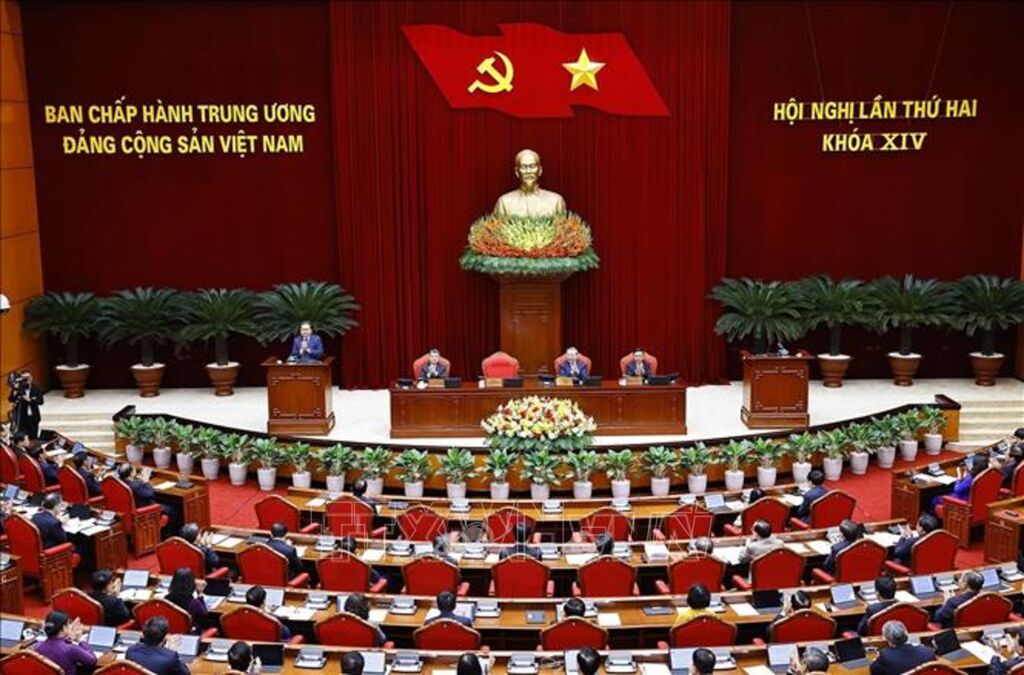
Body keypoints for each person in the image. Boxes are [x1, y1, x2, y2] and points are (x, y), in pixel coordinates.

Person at [33, 610, 96, 675]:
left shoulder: (37, 646)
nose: (69, 626)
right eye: (68, 624)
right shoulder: (71, 649)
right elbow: (92, 661)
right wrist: (80, 640)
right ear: (64, 627)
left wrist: (67, 640)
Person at [126, 616, 190, 675]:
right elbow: (186, 673)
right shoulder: (171, 657)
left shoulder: (131, 651)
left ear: (143, 635)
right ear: (164, 638)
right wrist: (170, 651)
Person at [869, 620, 935, 675]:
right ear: (906, 633)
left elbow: (874, 672)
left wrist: (875, 662)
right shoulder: (927, 652)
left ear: (886, 638)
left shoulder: (884, 657)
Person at [8, 371, 44, 440]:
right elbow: (11, 399)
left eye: (29, 377)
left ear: (31, 378)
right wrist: (15, 391)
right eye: (25, 378)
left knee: (33, 438)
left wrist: (30, 400)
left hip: (33, 417)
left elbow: (41, 401)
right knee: (23, 438)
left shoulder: (36, 388)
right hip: (22, 418)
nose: (27, 379)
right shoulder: (18, 388)